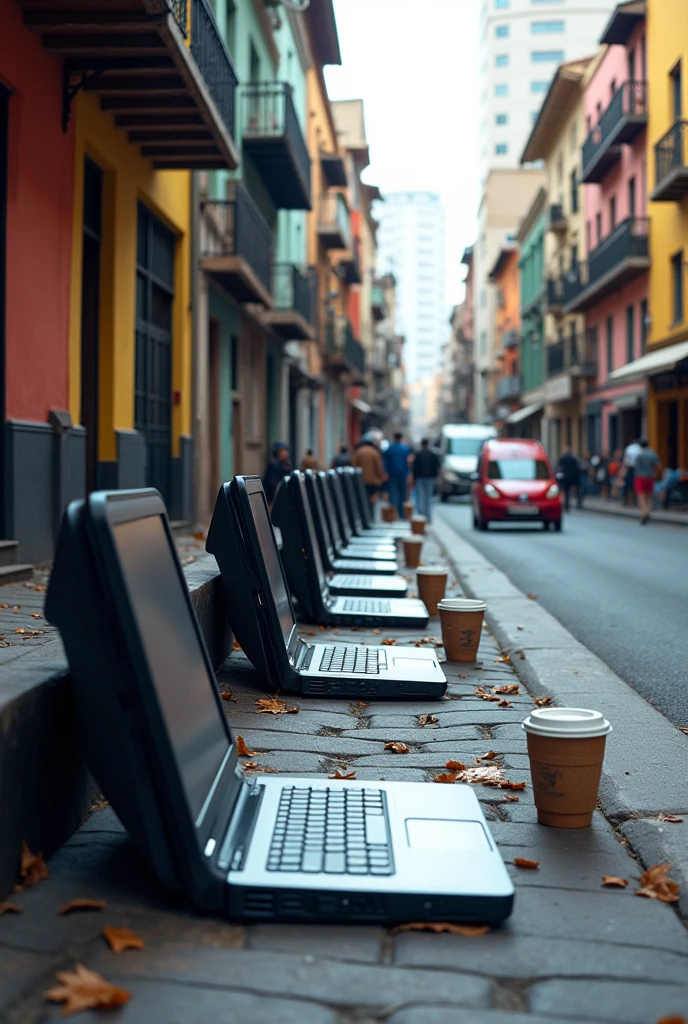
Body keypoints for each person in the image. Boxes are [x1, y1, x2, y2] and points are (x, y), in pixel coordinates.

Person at [351, 431, 385, 512]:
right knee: (372, 499)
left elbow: (353, 465)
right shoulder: (375, 452)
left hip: (360, 480)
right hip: (373, 481)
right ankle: (370, 515)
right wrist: (381, 477)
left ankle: (363, 515)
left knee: (361, 499)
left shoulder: (358, 452)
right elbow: (379, 467)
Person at [383, 432, 413, 518]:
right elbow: (409, 462)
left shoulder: (389, 448)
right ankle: (401, 514)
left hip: (392, 474)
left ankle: (392, 513)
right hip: (403, 474)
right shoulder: (406, 449)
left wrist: (385, 473)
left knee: (392, 493)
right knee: (402, 494)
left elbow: (385, 462)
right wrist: (410, 474)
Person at [412, 438, 441, 521]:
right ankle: (428, 516)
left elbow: (414, 468)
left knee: (420, 497)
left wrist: (414, 478)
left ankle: (421, 515)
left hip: (420, 478)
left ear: (422, 444)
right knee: (428, 498)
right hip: (430, 478)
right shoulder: (433, 454)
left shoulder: (418, 454)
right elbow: (437, 466)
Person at [633, 437, 660, 524]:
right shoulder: (652, 454)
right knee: (649, 496)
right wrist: (656, 474)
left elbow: (635, 467)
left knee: (641, 496)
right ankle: (647, 511)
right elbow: (658, 466)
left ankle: (643, 513)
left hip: (640, 477)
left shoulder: (638, 455)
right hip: (650, 477)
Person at [557, 446, 580, 512]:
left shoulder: (563, 458)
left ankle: (566, 504)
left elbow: (560, 466)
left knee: (566, 491)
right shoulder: (573, 459)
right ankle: (569, 504)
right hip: (571, 477)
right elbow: (576, 468)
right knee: (570, 491)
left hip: (565, 477)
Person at [622, 437, 642, 506]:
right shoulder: (639, 448)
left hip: (630, 468)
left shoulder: (629, 448)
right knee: (635, 486)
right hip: (637, 469)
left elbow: (625, 461)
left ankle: (628, 501)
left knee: (628, 486)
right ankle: (635, 501)